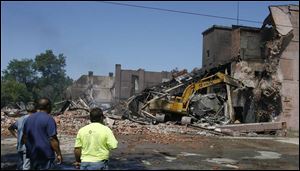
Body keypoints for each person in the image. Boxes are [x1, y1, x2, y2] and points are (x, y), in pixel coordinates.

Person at [22, 97, 63, 170]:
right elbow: (52, 139)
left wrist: (30, 149)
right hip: (46, 156)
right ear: (48, 106)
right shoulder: (48, 119)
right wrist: (59, 154)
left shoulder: (28, 119)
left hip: (33, 156)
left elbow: (24, 137)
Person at [8, 102, 36, 170]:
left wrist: (17, 136)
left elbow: (10, 128)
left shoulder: (20, 119)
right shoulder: (34, 119)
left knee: (20, 166)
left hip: (20, 146)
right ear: (35, 110)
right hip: (28, 148)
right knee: (27, 167)